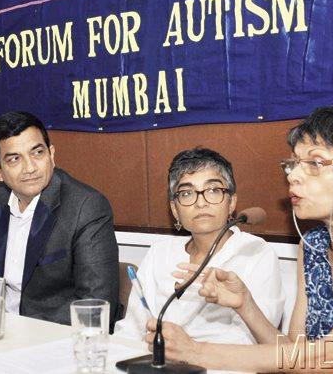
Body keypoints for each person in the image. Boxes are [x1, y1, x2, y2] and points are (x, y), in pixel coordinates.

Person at [144, 107, 333, 372]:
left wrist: (197, 351)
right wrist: (245, 305)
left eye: (315, 163)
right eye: (292, 163)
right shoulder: (314, 245)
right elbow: (294, 354)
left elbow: (332, 358)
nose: (293, 175)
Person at [115, 147, 284, 344]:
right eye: (187, 193)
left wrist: (190, 350)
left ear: (231, 203)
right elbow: (132, 330)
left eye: (213, 190)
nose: (200, 203)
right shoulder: (159, 253)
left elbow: (253, 342)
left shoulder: (255, 253)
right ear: (175, 210)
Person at [0, 111, 120, 327]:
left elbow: (96, 305)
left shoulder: (86, 207)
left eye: (37, 153)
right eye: (14, 159)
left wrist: (22, 332)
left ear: (52, 155)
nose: (30, 168)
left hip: (53, 339)